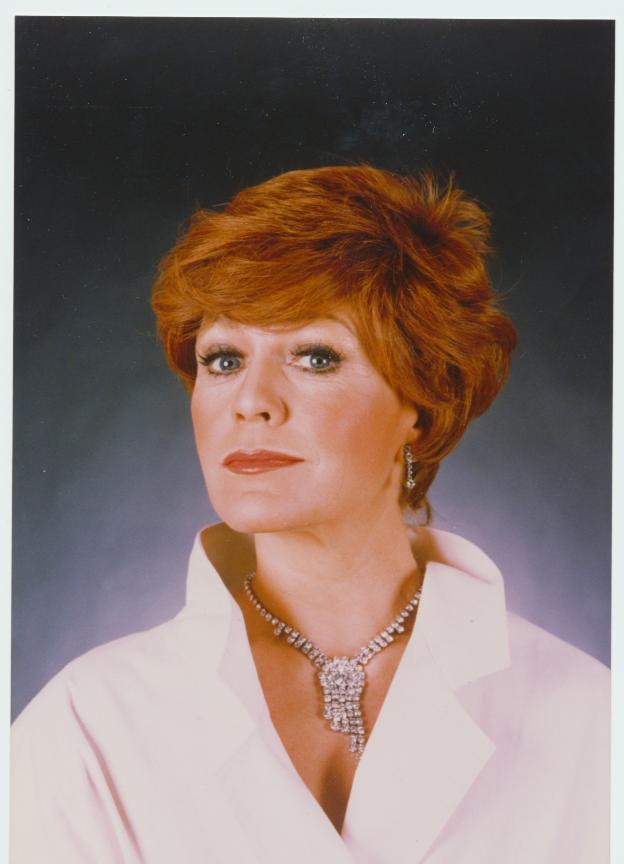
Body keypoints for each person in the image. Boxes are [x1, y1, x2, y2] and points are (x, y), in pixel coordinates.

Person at [11, 165, 609, 863]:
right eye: (223, 360)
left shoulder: (588, 720)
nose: (251, 401)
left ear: (422, 405)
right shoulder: (87, 725)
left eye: (315, 357)